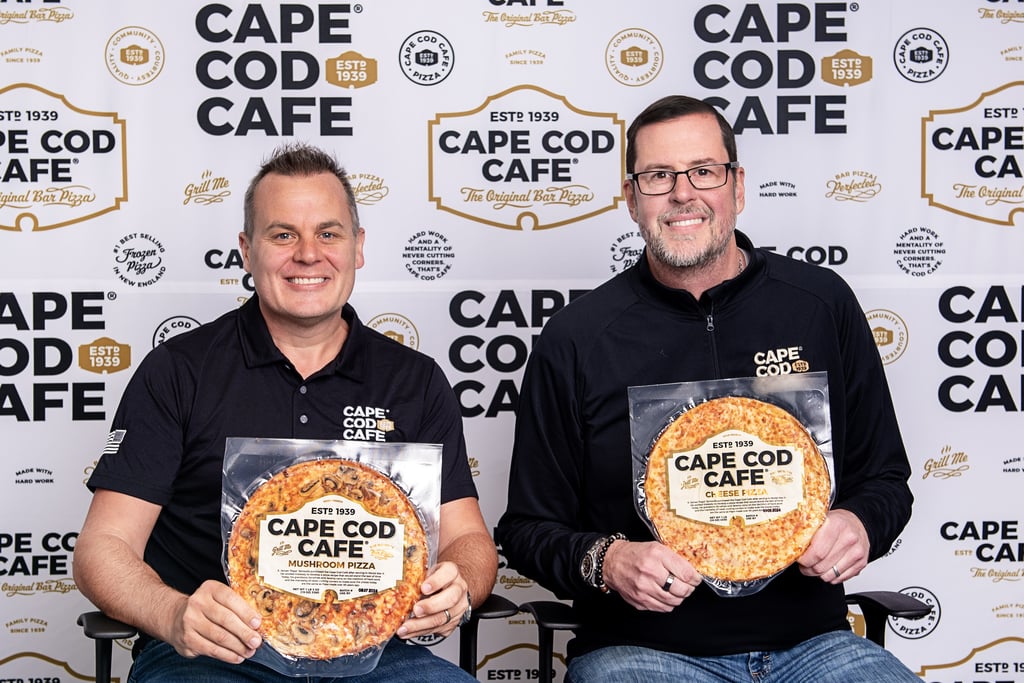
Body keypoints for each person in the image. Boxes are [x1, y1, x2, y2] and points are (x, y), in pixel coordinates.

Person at [495, 95, 917, 683]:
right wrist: (609, 560)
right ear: (631, 199)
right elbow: (526, 529)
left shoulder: (821, 304)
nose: (682, 193)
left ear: (737, 187)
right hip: (640, 651)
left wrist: (860, 523)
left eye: (703, 171)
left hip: (815, 646)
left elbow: (886, 480)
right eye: (658, 176)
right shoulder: (577, 337)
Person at [74, 143, 498, 682]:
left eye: (328, 233)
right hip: (218, 655)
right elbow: (103, 547)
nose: (308, 254)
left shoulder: (414, 380)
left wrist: (460, 584)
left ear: (358, 247)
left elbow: (468, 540)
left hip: (380, 656)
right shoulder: (179, 371)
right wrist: (173, 613)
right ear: (246, 251)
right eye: (282, 235)